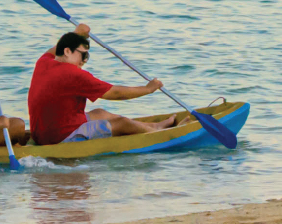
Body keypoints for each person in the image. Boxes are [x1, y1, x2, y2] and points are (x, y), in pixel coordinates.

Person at [26, 27, 184, 145]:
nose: (84, 61)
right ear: (67, 51)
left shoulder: (44, 62)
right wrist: (148, 89)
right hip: (59, 137)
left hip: (41, 132)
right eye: (83, 55)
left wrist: (77, 33)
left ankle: (154, 126)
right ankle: (160, 133)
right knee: (122, 124)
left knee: (99, 113)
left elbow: (55, 49)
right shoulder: (73, 74)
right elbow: (114, 93)